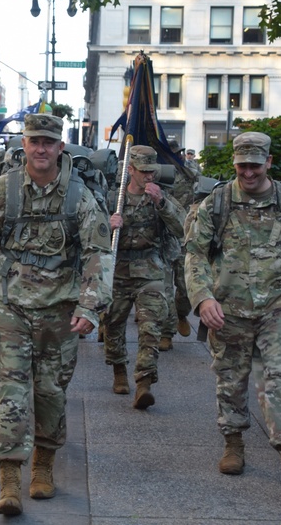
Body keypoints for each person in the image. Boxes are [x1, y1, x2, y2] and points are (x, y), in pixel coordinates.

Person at [0, 114, 113, 516]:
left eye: (49, 142)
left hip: (60, 313)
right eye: (34, 141)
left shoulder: (79, 197)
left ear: (60, 147)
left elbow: (99, 252)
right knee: (12, 389)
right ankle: (10, 476)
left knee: (49, 392)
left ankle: (43, 463)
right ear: (24, 145)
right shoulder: (0, 192)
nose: (41, 148)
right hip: (10, 307)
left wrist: (89, 305)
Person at [184, 131, 281, 494]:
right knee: (231, 380)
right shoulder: (216, 203)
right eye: (241, 165)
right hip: (227, 309)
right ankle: (233, 443)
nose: (248, 173)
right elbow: (195, 254)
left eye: (254, 165)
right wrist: (202, 299)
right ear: (235, 164)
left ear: (268, 162)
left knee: (279, 379)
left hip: (276, 307)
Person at [103, 145, 185, 409]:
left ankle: (144, 383)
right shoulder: (112, 198)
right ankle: (118, 370)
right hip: (118, 269)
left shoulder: (162, 197)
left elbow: (182, 227)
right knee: (113, 325)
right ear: (130, 170)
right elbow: (90, 233)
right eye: (143, 172)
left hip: (150, 269)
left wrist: (162, 203)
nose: (148, 177)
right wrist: (108, 224)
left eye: (152, 171)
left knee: (151, 327)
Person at [160, 139, 199, 349]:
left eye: (178, 153)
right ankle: (166, 333)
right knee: (165, 288)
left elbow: (198, 179)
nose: (176, 156)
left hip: (186, 234)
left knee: (184, 287)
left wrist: (183, 164)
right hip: (166, 236)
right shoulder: (159, 173)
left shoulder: (189, 170)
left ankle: (181, 314)